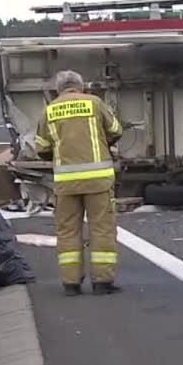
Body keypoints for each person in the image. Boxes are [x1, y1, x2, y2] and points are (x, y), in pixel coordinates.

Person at [34, 70, 124, 295]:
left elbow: (41, 148)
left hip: (65, 183)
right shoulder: (94, 103)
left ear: (59, 89)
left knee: (67, 231)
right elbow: (116, 130)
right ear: (81, 86)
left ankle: (71, 284)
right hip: (98, 181)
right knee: (102, 228)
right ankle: (102, 282)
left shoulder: (50, 110)